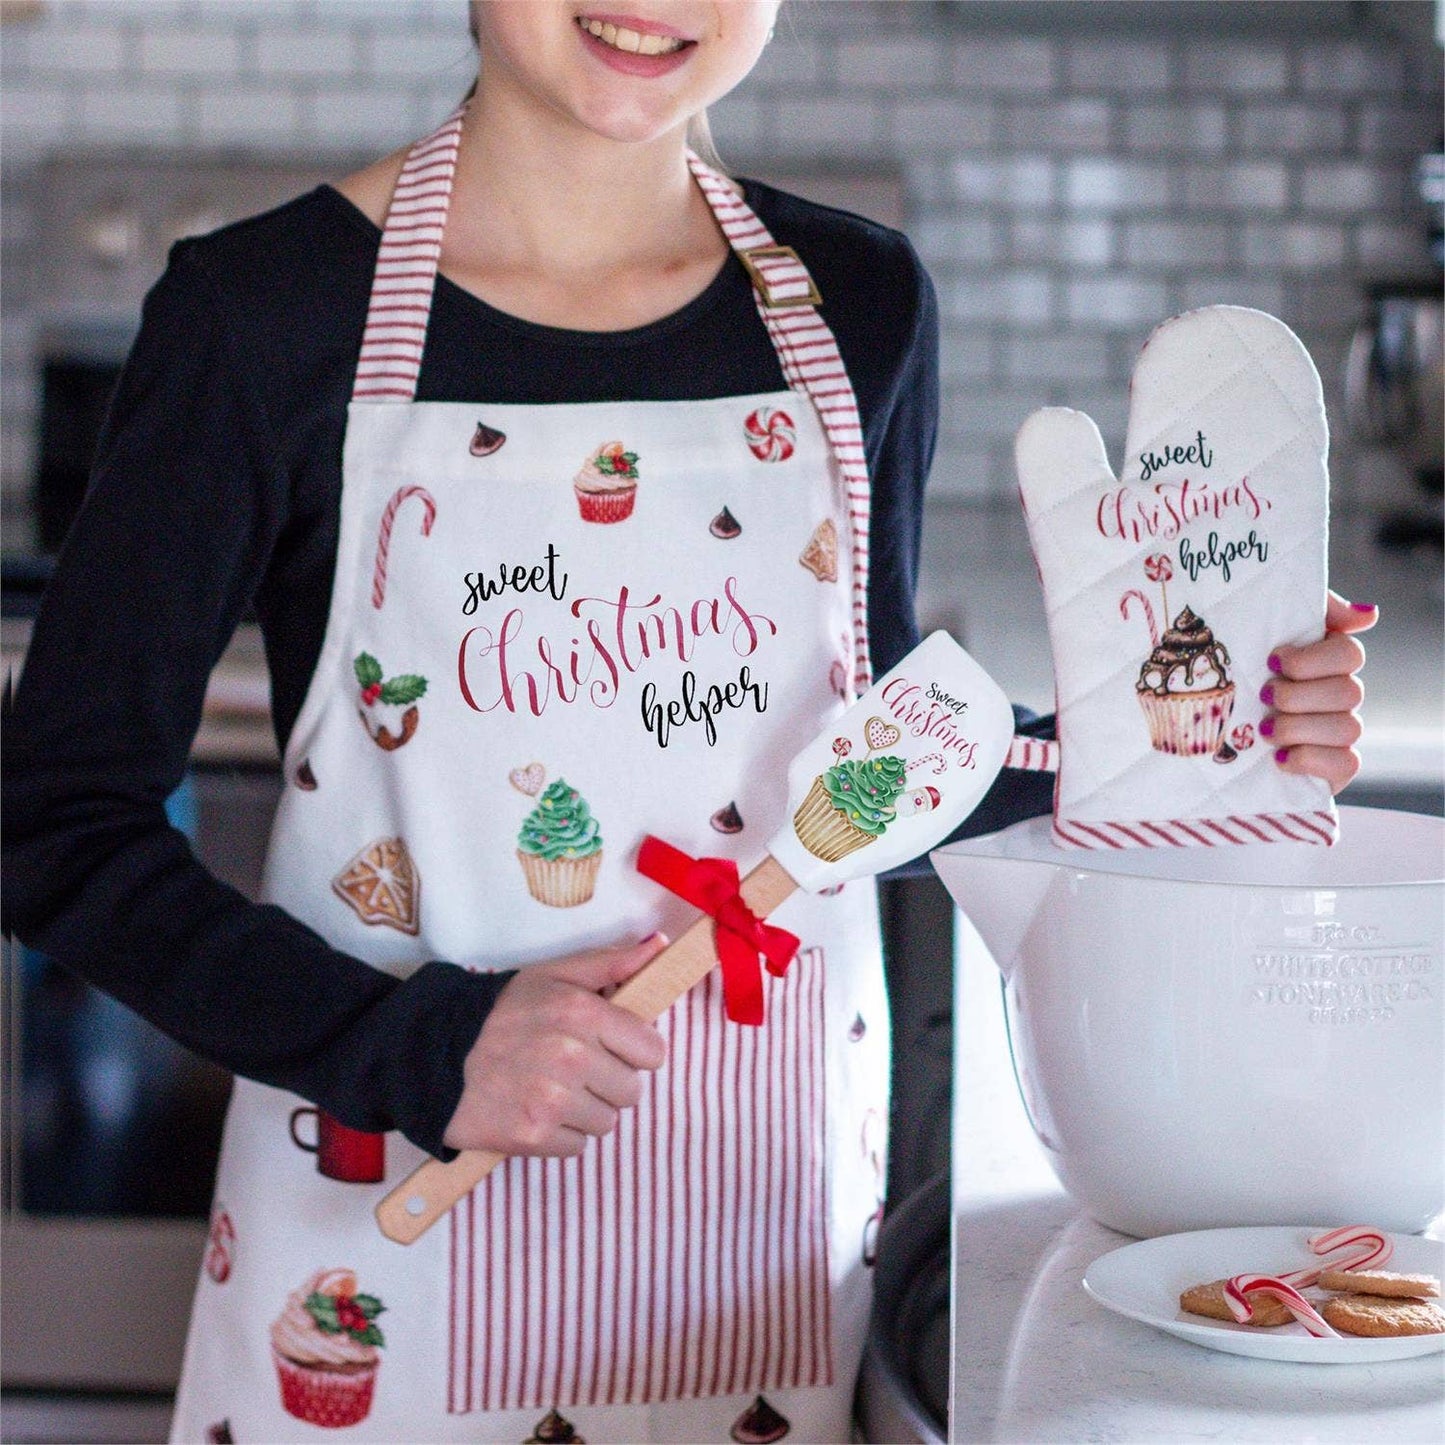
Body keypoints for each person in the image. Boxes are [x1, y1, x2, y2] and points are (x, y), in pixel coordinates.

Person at [2, 4, 1374, 1441]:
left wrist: (1209, 742)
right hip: (384, 1262)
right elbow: (60, 826)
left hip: (756, 1260)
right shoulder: (264, 316)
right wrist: (413, 1044)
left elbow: (869, 767)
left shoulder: (857, 303)